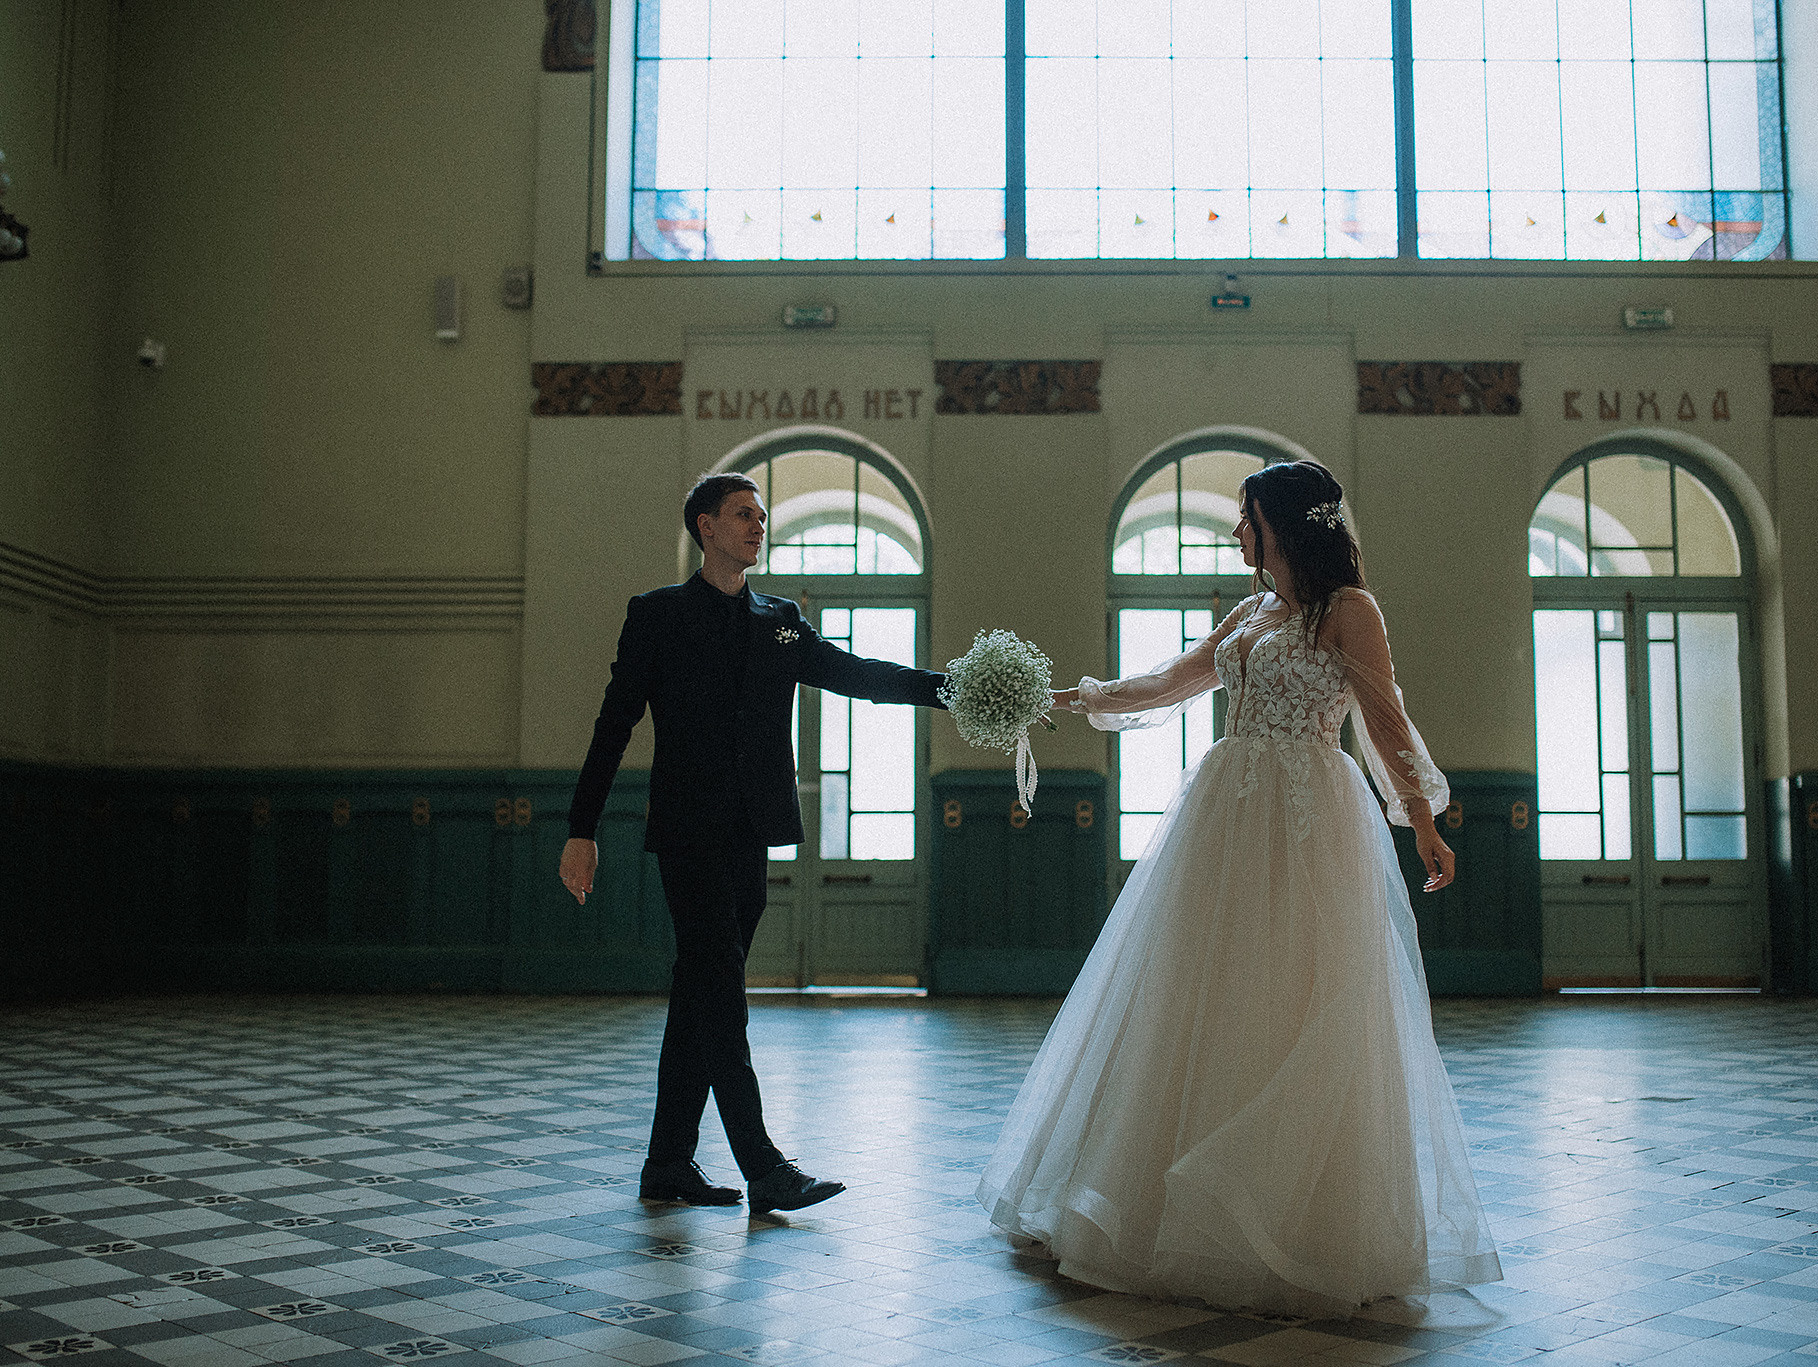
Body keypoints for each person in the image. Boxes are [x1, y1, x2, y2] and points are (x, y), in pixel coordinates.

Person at [978, 459, 1501, 1316]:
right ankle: (1160, 1206)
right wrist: (1079, 697)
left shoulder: (1350, 612)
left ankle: (1295, 1219)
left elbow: (1386, 717)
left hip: (1308, 817)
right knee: (1197, 991)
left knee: (1297, 994)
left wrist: (1423, 818)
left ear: (1284, 524)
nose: (1234, 532)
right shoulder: (1253, 612)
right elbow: (1174, 681)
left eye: (1245, 516)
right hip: (1226, 814)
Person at [560, 471, 950, 1215]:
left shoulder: (780, 618)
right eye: (743, 514)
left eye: (761, 516)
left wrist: (953, 687)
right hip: (687, 831)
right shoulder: (657, 615)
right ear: (704, 526)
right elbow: (615, 724)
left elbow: (855, 675)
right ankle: (764, 1165)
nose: (757, 525)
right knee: (722, 989)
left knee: (701, 990)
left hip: (752, 832)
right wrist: (582, 828)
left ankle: (667, 1162)